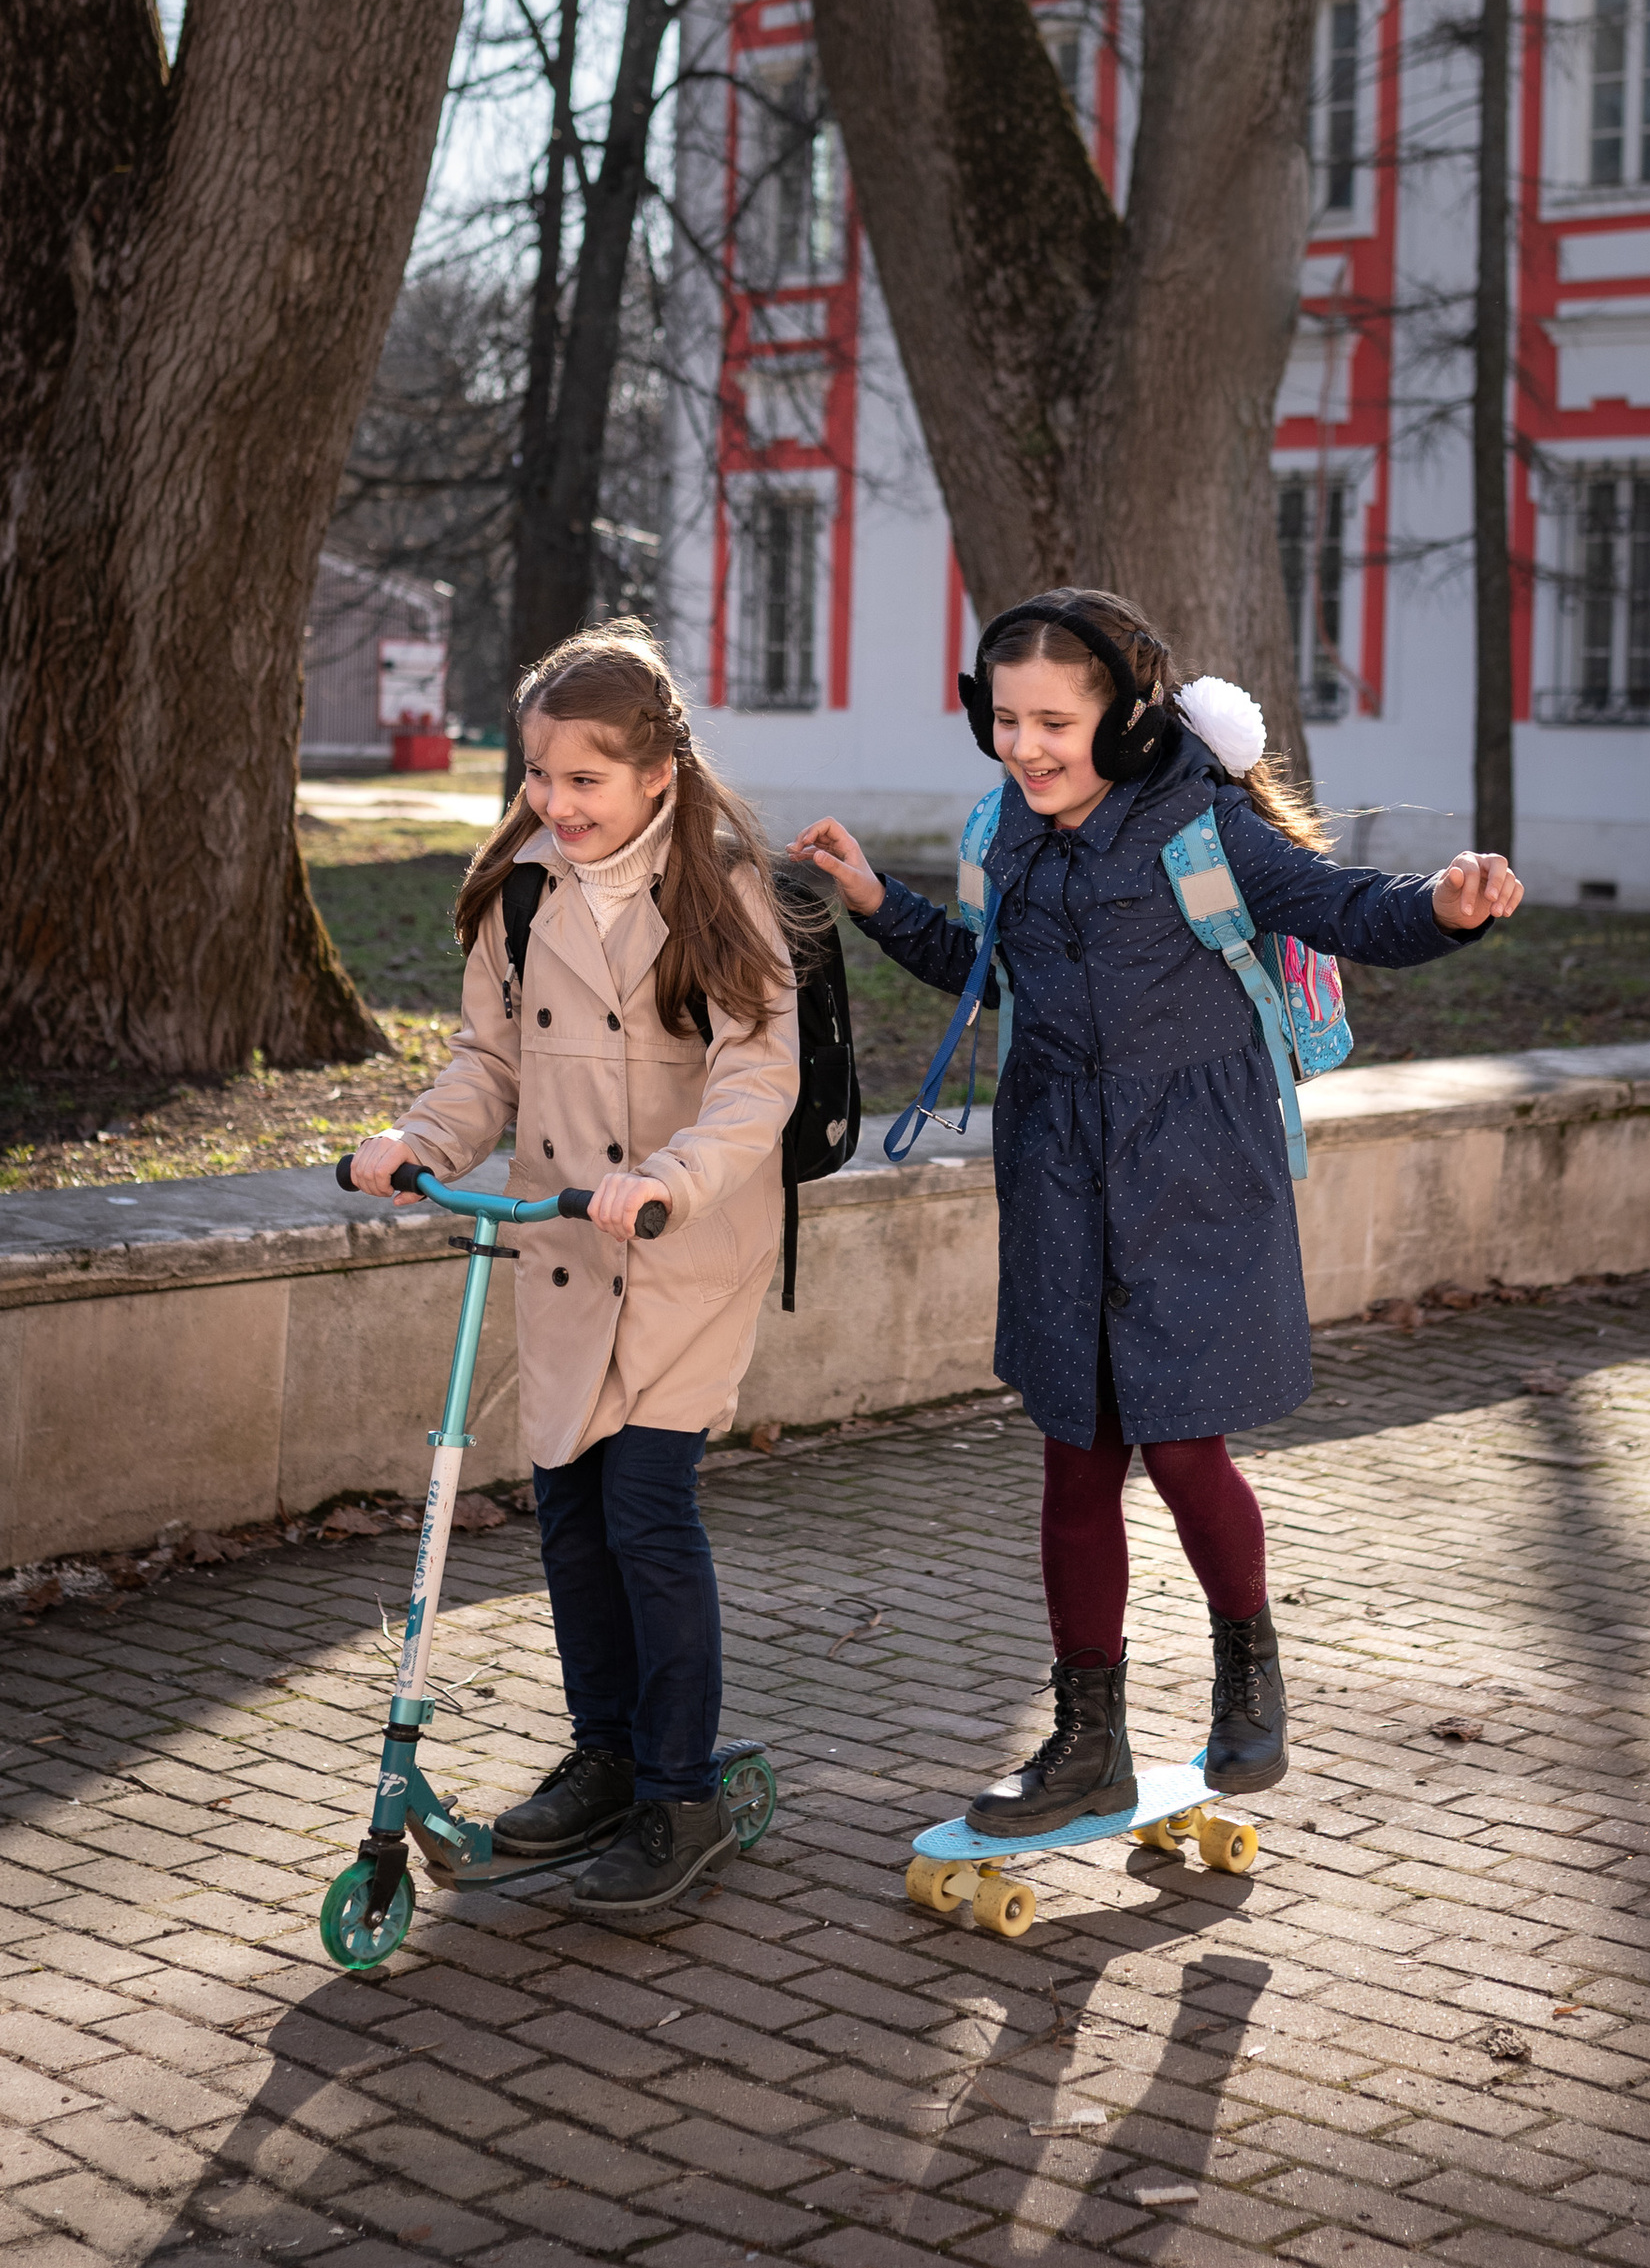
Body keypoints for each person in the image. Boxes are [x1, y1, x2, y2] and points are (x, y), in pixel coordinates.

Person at [793, 587, 1521, 1837]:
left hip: (1198, 1165)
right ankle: (1088, 1744)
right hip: (1060, 1168)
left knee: (1185, 1447)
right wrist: (871, 898)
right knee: (1074, 1457)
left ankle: (1250, 1672)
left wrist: (1445, 908)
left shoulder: (1202, 822)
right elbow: (976, 965)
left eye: (1054, 723)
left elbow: (1341, 907)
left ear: (1126, 722)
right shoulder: (1001, 830)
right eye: (1005, 719)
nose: (1024, 747)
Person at [348, 621, 798, 1919]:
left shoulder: (716, 889)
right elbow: (490, 1064)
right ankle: (605, 1756)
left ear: (658, 772)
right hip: (558, 1241)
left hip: (676, 1248)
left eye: (585, 779)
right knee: (573, 1518)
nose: (557, 801)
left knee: (649, 1511)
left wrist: (671, 1178)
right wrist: (418, 1139)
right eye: (539, 774)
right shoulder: (526, 889)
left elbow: (756, 1075)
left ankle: (678, 1794)